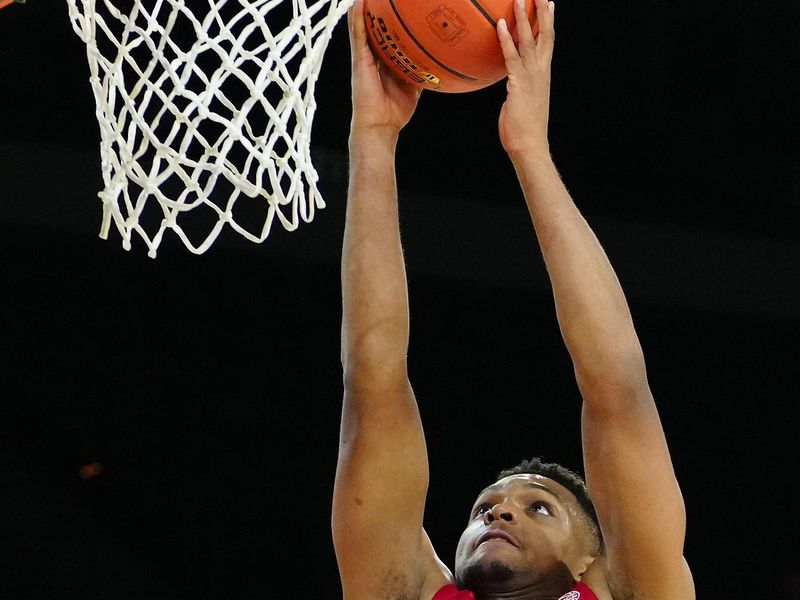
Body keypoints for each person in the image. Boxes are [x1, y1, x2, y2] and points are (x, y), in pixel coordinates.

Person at [334, 0, 696, 598]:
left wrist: (531, 148)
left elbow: (618, 391)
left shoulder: (637, 589)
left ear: (593, 562)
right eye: (488, 507)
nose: (497, 514)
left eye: (539, 508)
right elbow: (373, 381)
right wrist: (372, 140)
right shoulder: (400, 588)